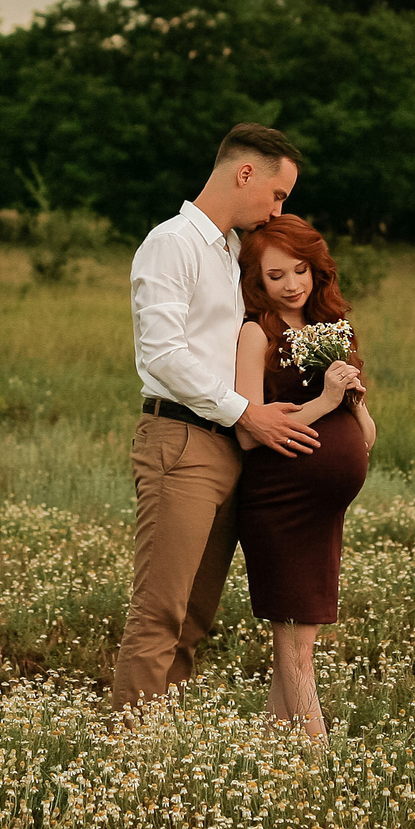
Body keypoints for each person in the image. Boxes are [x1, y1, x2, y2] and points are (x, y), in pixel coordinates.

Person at [112, 122, 318, 709]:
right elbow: (162, 354)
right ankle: (125, 749)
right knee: (160, 613)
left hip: (227, 444)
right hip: (180, 438)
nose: (278, 211)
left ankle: (164, 744)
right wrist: (247, 413)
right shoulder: (172, 243)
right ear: (245, 173)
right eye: (277, 195)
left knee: (193, 619)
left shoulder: (232, 253)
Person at [232, 214, 375, 743]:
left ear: (317, 271)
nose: (292, 284)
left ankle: (272, 751)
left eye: (300, 271)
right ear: (257, 280)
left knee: (298, 641)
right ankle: (319, 763)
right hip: (280, 503)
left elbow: (366, 435)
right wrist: (326, 401)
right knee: (295, 645)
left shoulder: (332, 331)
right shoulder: (256, 334)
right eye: (276, 275)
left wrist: (354, 405)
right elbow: (248, 432)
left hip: (322, 511)